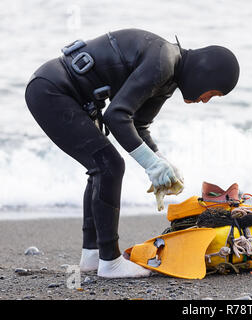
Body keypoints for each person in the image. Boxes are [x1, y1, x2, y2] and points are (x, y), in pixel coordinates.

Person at [24, 28, 240, 278]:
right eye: (212, 93)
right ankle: (110, 262)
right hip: (51, 90)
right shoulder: (164, 60)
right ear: (206, 75)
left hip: (62, 92)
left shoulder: (169, 78)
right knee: (109, 166)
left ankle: (93, 256)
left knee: (102, 168)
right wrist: (151, 165)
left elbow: (138, 125)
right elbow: (116, 116)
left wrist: (161, 160)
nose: (205, 100)